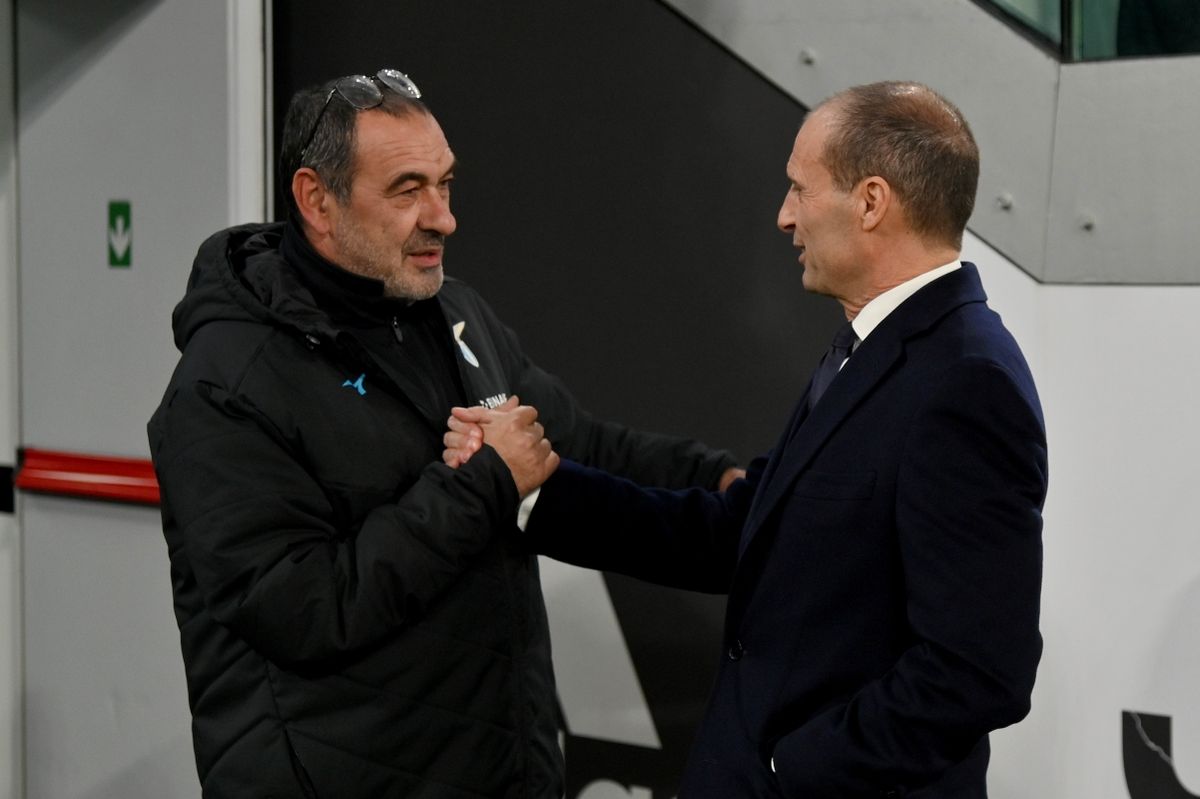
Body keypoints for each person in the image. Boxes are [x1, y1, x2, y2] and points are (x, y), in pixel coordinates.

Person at [147, 68, 741, 798]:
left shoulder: (452, 311)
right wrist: (484, 482)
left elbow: (575, 441)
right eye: (407, 190)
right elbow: (304, 609)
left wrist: (718, 479)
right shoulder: (226, 383)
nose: (443, 217)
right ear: (316, 200)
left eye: (446, 184)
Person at [446, 81, 1048, 798]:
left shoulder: (964, 382)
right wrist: (537, 492)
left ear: (871, 202)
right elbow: (740, 531)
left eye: (799, 188)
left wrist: (789, 769)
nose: (783, 216)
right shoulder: (870, 347)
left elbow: (977, 668)